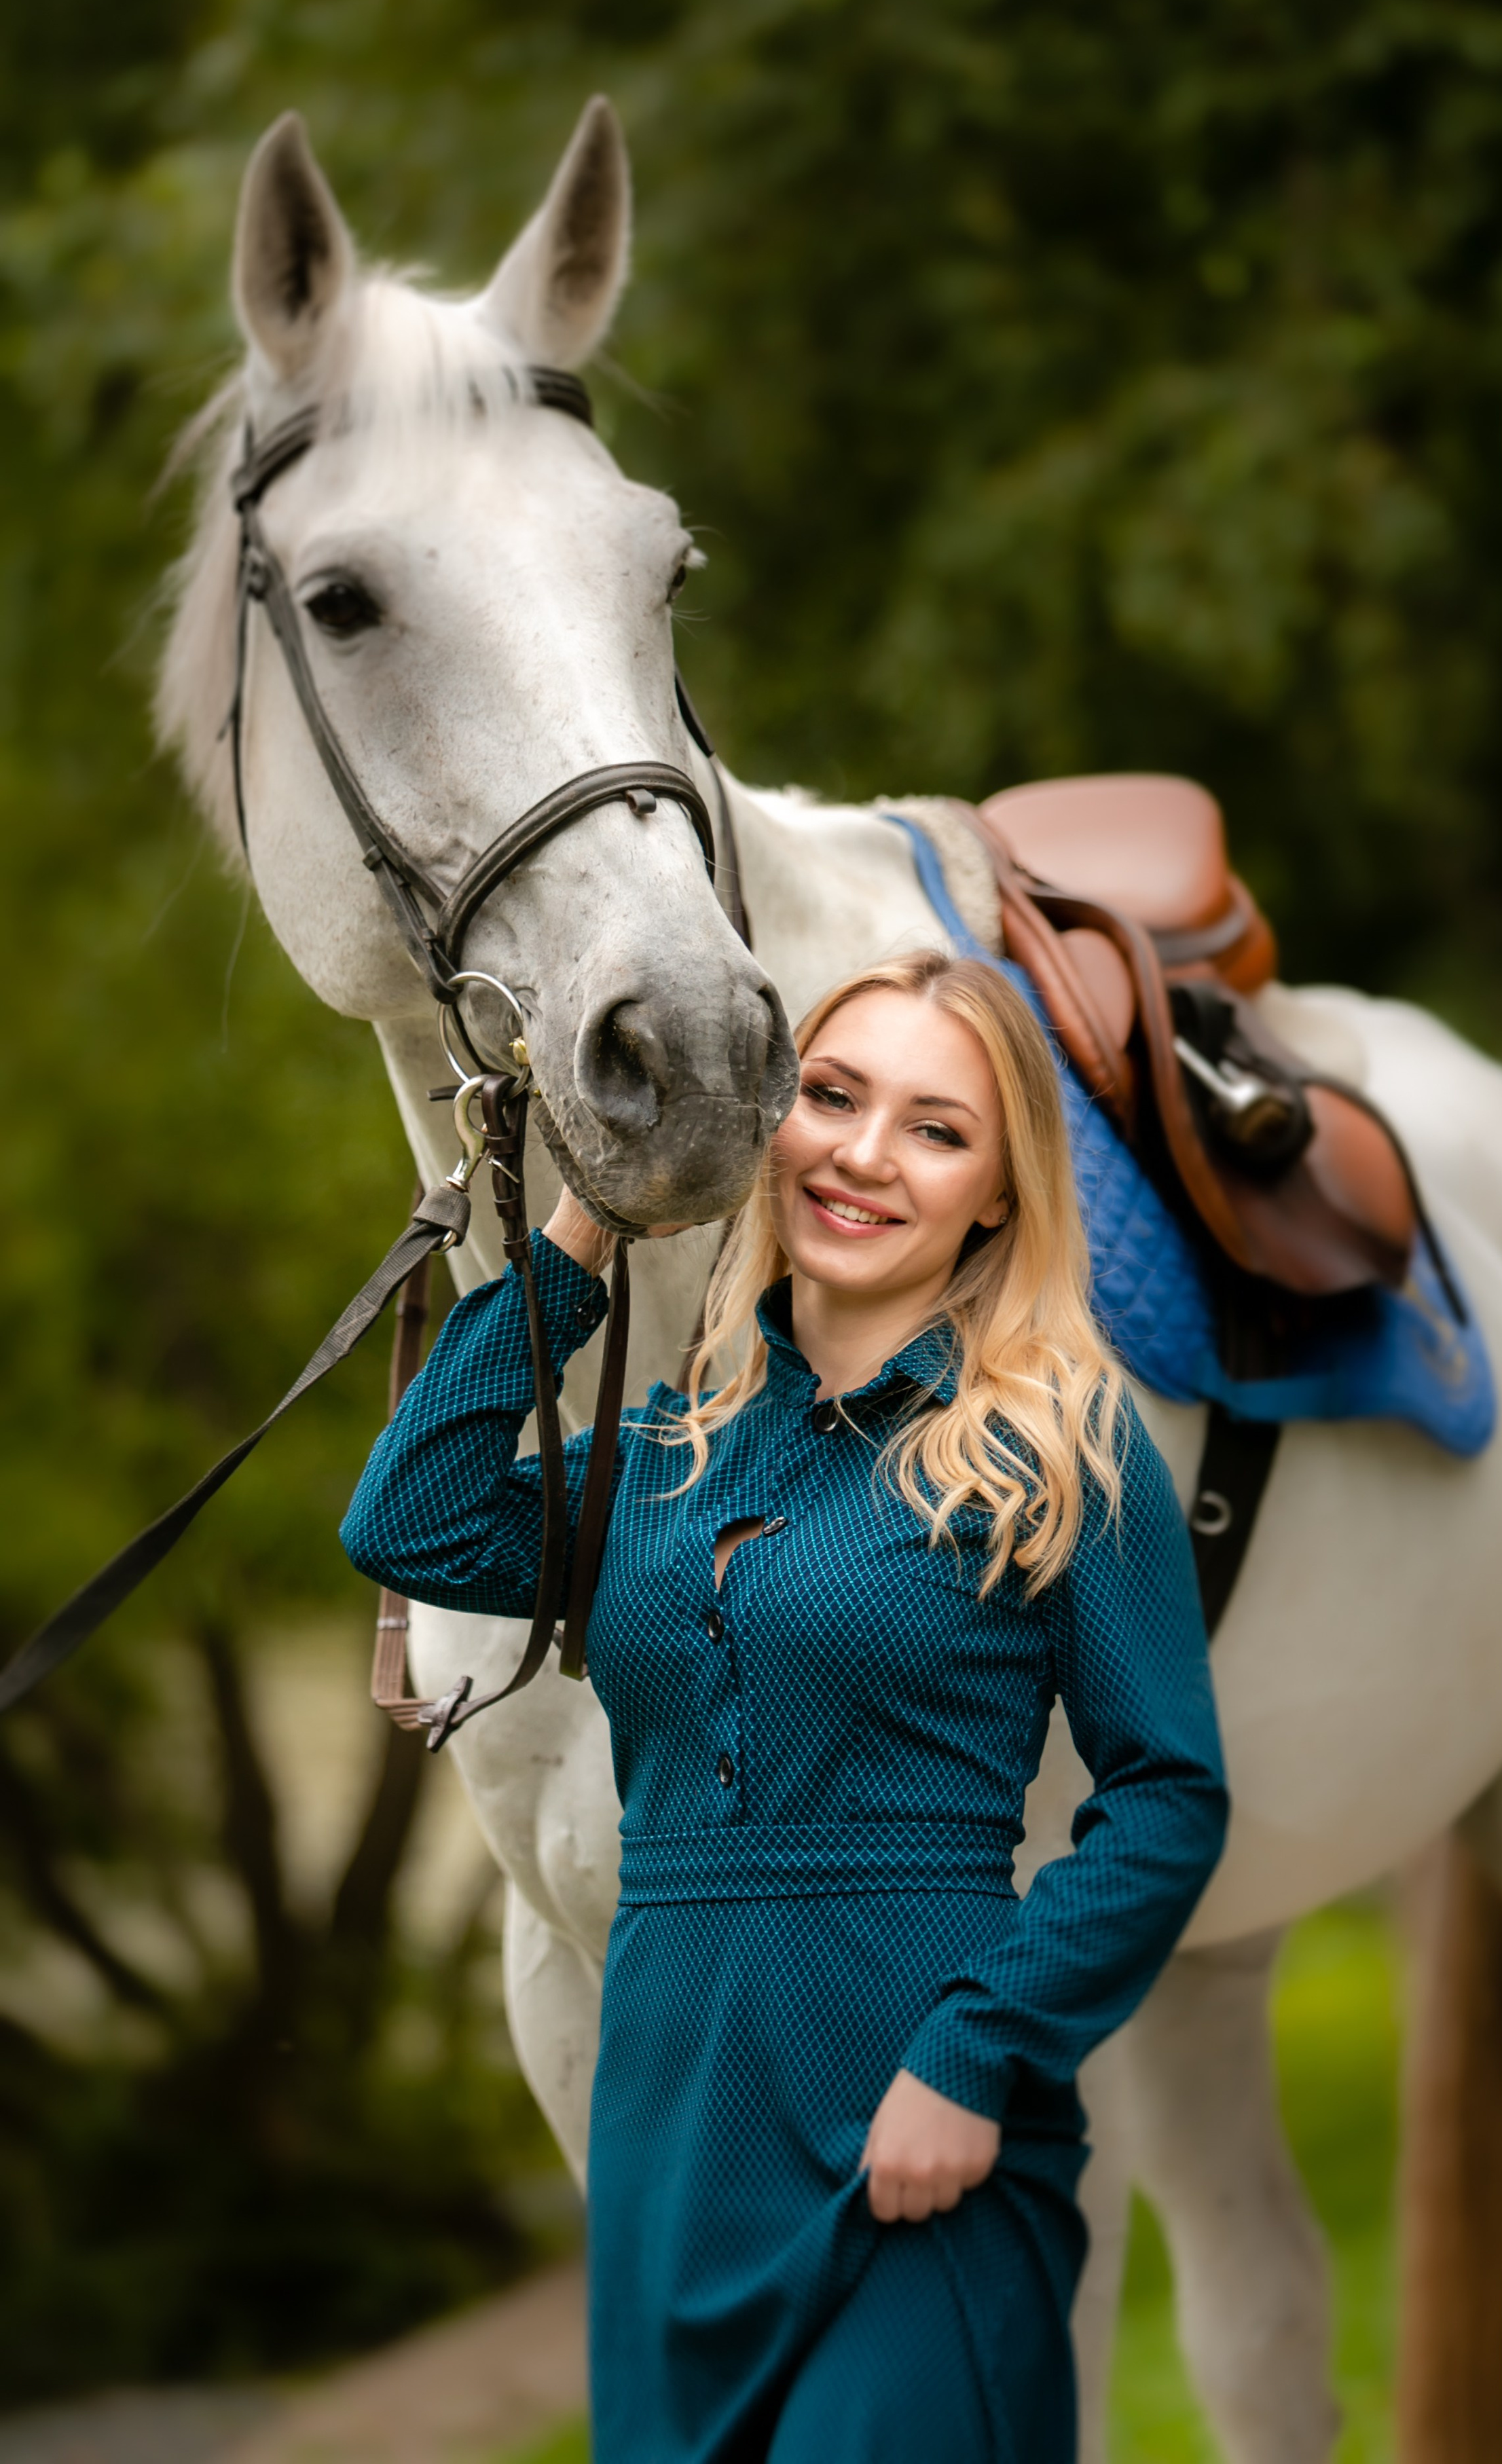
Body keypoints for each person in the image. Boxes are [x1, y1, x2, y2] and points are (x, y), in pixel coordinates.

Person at [342, 948, 1227, 2464]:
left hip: (917, 2113)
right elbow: (410, 1519)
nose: (863, 1156)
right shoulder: (660, 1452)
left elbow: (1165, 1798)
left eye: (936, 1130)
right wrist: (594, 1213)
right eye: (830, 1098)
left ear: (999, 1195)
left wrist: (973, 2060)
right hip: (678, 2131)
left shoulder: (1057, 1443)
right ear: (771, 1122)